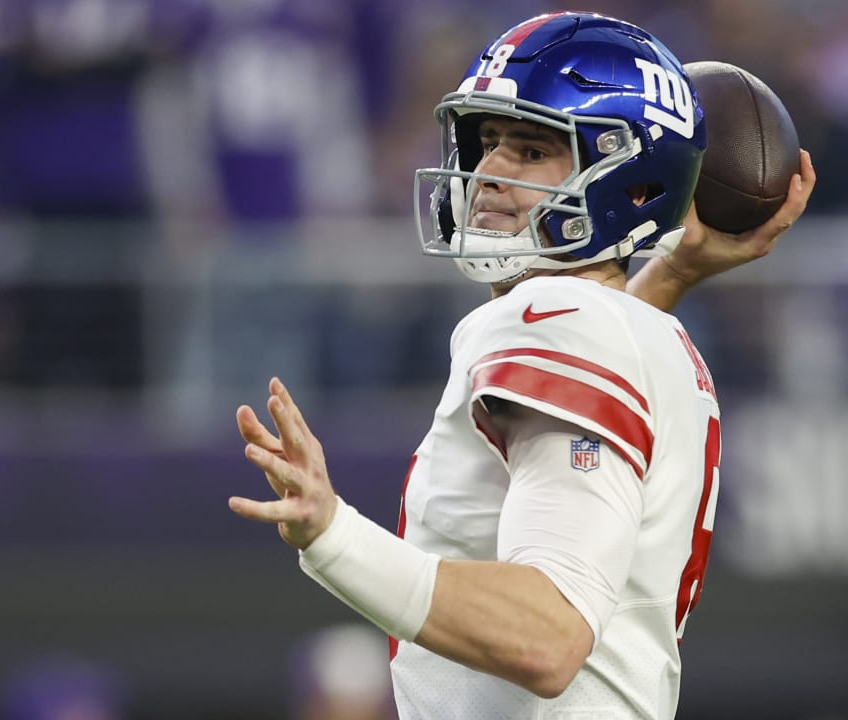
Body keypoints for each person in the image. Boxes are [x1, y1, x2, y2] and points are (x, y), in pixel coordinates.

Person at [229, 10, 815, 719]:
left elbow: (549, 635)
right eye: (489, 141)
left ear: (630, 181)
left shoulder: (557, 322)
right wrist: (671, 273)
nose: (489, 172)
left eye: (533, 149)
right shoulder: (636, 329)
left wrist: (332, 534)